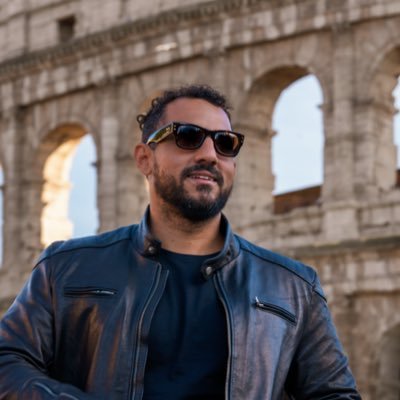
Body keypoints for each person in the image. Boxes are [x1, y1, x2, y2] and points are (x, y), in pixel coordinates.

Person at [0, 84, 361, 399]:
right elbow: (7, 361)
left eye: (225, 143)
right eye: (188, 137)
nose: (209, 154)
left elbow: (334, 395)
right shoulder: (65, 268)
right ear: (145, 158)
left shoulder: (294, 288)